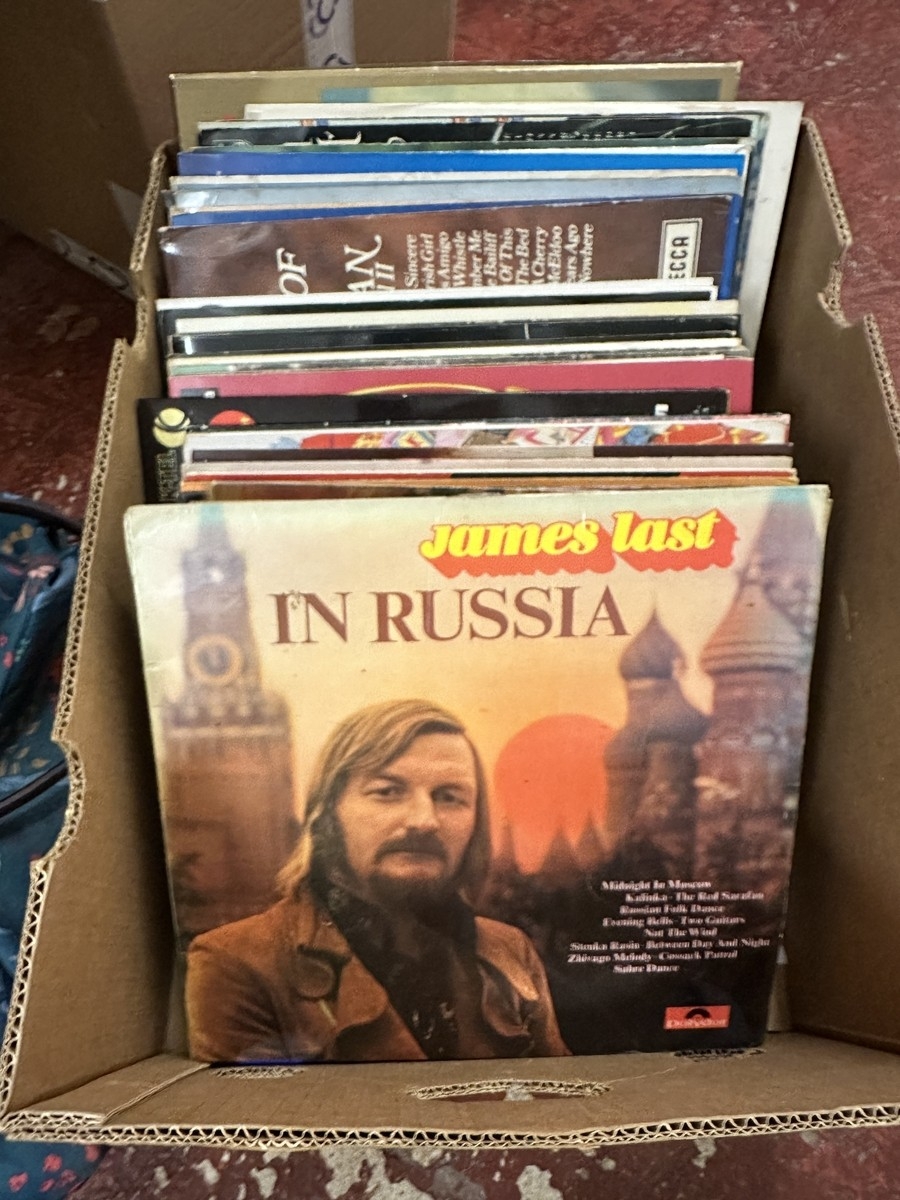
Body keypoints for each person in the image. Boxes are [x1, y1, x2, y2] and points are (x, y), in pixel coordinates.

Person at [186, 698, 570, 1063]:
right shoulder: (237, 963)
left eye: (449, 797)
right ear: (328, 815)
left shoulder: (508, 951)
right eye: (388, 792)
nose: (424, 820)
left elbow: (556, 1096)